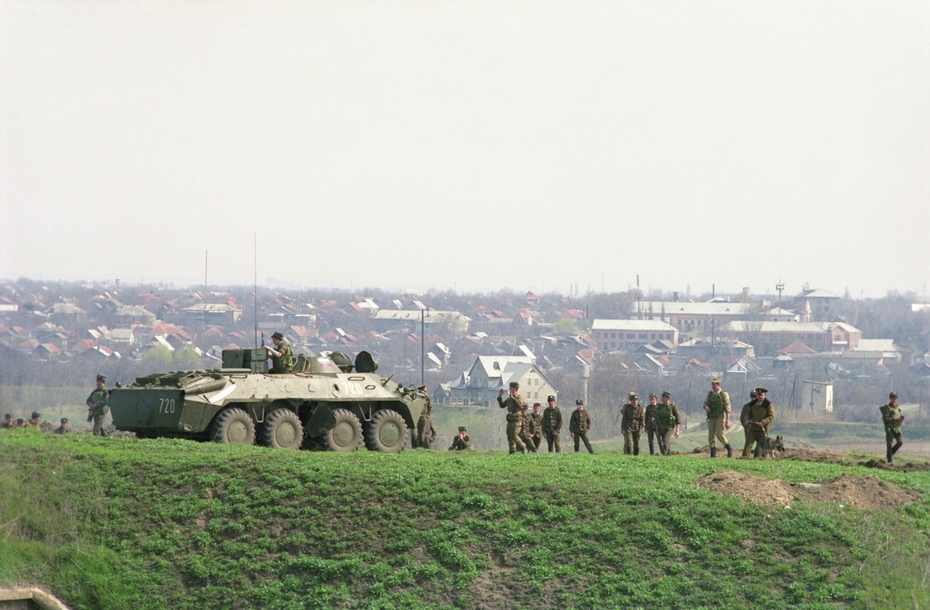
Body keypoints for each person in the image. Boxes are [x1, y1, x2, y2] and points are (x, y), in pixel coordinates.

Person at [703, 378, 733, 458]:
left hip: (720, 416)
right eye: (712, 384)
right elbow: (705, 403)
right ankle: (713, 454)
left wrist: (727, 420)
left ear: (718, 385)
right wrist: (706, 407)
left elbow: (727, 408)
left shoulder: (723, 394)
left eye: (714, 385)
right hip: (711, 416)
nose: (712, 386)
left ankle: (729, 447)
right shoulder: (710, 394)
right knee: (711, 436)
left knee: (719, 434)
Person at [742, 388, 775, 458]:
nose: (760, 397)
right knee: (748, 443)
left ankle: (761, 459)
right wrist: (746, 419)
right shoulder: (752, 404)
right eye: (759, 395)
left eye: (762, 395)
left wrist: (763, 422)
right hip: (753, 428)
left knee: (763, 446)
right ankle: (744, 458)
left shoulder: (768, 405)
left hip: (762, 429)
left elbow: (771, 416)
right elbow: (748, 413)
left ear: (764, 396)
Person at [498, 381, 526, 454]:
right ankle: (512, 450)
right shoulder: (509, 398)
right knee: (509, 435)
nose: (509, 389)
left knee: (514, 434)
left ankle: (522, 446)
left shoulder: (519, 397)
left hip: (517, 419)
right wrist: (500, 396)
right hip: (510, 419)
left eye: (511, 388)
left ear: (515, 389)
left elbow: (520, 406)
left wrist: (513, 398)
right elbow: (502, 405)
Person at [880, 391, 904, 464]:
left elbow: (899, 416)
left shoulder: (897, 408)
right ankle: (890, 459)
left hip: (897, 428)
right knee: (889, 444)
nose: (894, 400)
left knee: (900, 442)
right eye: (892, 398)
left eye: (895, 398)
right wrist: (894, 419)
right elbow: (885, 419)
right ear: (890, 399)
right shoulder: (887, 408)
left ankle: (889, 455)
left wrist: (900, 419)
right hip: (890, 428)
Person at [656, 391, 681, 455]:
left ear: (667, 398)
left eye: (663, 397)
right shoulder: (659, 407)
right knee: (666, 443)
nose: (662, 398)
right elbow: (657, 419)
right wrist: (657, 429)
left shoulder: (672, 406)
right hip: (661, 427)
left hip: (669, 427)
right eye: (662, 397)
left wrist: (677, 430)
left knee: (665, 440)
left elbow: (678, 419)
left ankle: (663, 454)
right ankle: (668, 455)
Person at [739, 390, 758, 456]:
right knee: (748, 445)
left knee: (760, 444)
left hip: (759, 428)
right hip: (749, 428)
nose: (754, 398)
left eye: (755, 396)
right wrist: (746, 426)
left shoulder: (762, 406)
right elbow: (742, 418)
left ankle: (758, 457)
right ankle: (745, 457)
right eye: (752, 397)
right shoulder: (746, 406)